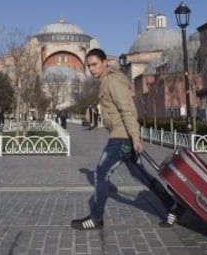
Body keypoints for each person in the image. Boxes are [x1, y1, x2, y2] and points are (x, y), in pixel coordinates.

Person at [71, 48, 184, 230]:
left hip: (121, 138)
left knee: (101, 174)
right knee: (142, 176)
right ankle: (174, 206)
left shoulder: (112, 80)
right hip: (123, 136)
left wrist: (135, 138)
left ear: (104, 62)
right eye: (89, 65)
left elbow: (128, 110)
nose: (91, 69)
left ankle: (96, 218)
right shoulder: (107, 80)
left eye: (94, 64)